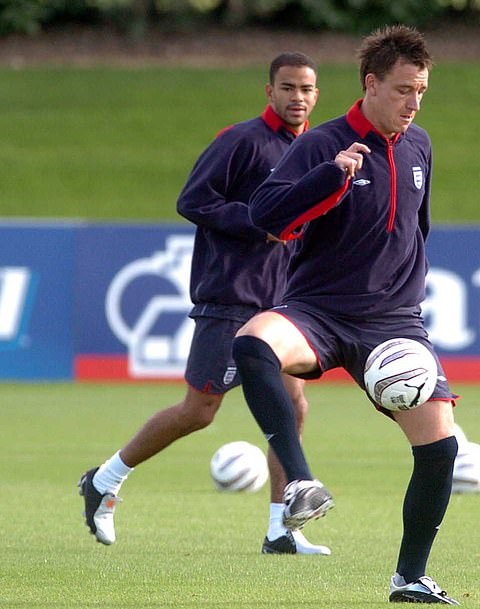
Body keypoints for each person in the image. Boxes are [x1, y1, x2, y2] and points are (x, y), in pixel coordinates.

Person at [232, 26, 461, 604]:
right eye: (404, 89)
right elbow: (265, 213)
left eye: (422, 92)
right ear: (370, 84)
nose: (413, 103)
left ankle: (410, 578)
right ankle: (300, 480)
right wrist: (329, 175)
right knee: (254, 342)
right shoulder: (321, 144)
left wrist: (408, 304)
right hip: (319, 311)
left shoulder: (420, 146)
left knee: (441, 448)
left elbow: (418, 229)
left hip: (394, 323)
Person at [78, 52, 330, 556]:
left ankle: (282, 529)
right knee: (199, 411)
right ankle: (104, 481)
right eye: (287, 87)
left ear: (316, 94)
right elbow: (193, 200)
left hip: (282, 304)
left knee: (294, 405)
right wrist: (257, 221)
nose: (297, 97)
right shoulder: (240, 140)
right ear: (269, 91)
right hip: (232, 297)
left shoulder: (316, 150)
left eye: (305, 89)